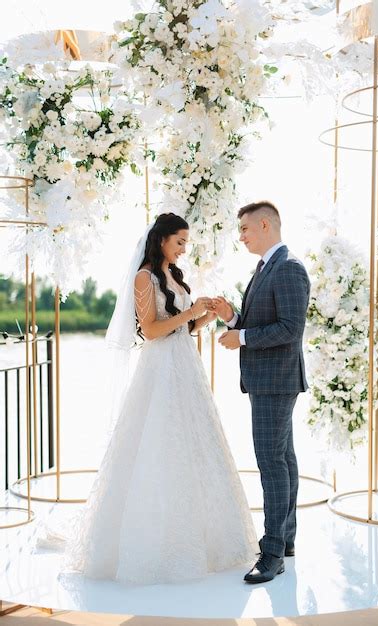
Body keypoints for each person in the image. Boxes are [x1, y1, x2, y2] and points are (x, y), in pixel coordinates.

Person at [59, 213, 257, 585]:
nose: (183, 249)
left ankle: (203, 538)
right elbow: (151, 331)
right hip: (160, 369)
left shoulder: (174, 277)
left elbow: (183, 328)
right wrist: (191, 311)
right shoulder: (144, 277)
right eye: (179, 241)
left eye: (186, 243)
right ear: (162, 238)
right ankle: (153, 544)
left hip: (185, 367)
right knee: (157, 444)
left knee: (193, 444)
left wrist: (206, 315)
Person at [214, 201, 310, 584]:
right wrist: (232, 317)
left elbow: (290, 328)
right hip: (269, 379)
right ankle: (284, 540)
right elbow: (263, 321)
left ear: (265, 224)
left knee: (271, 462)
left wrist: (243, 337)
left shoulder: (288, 268)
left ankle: (272, 553)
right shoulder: (265, 267)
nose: (241, 237)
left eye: (244, 229)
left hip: (276, 381)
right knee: (282, 458)